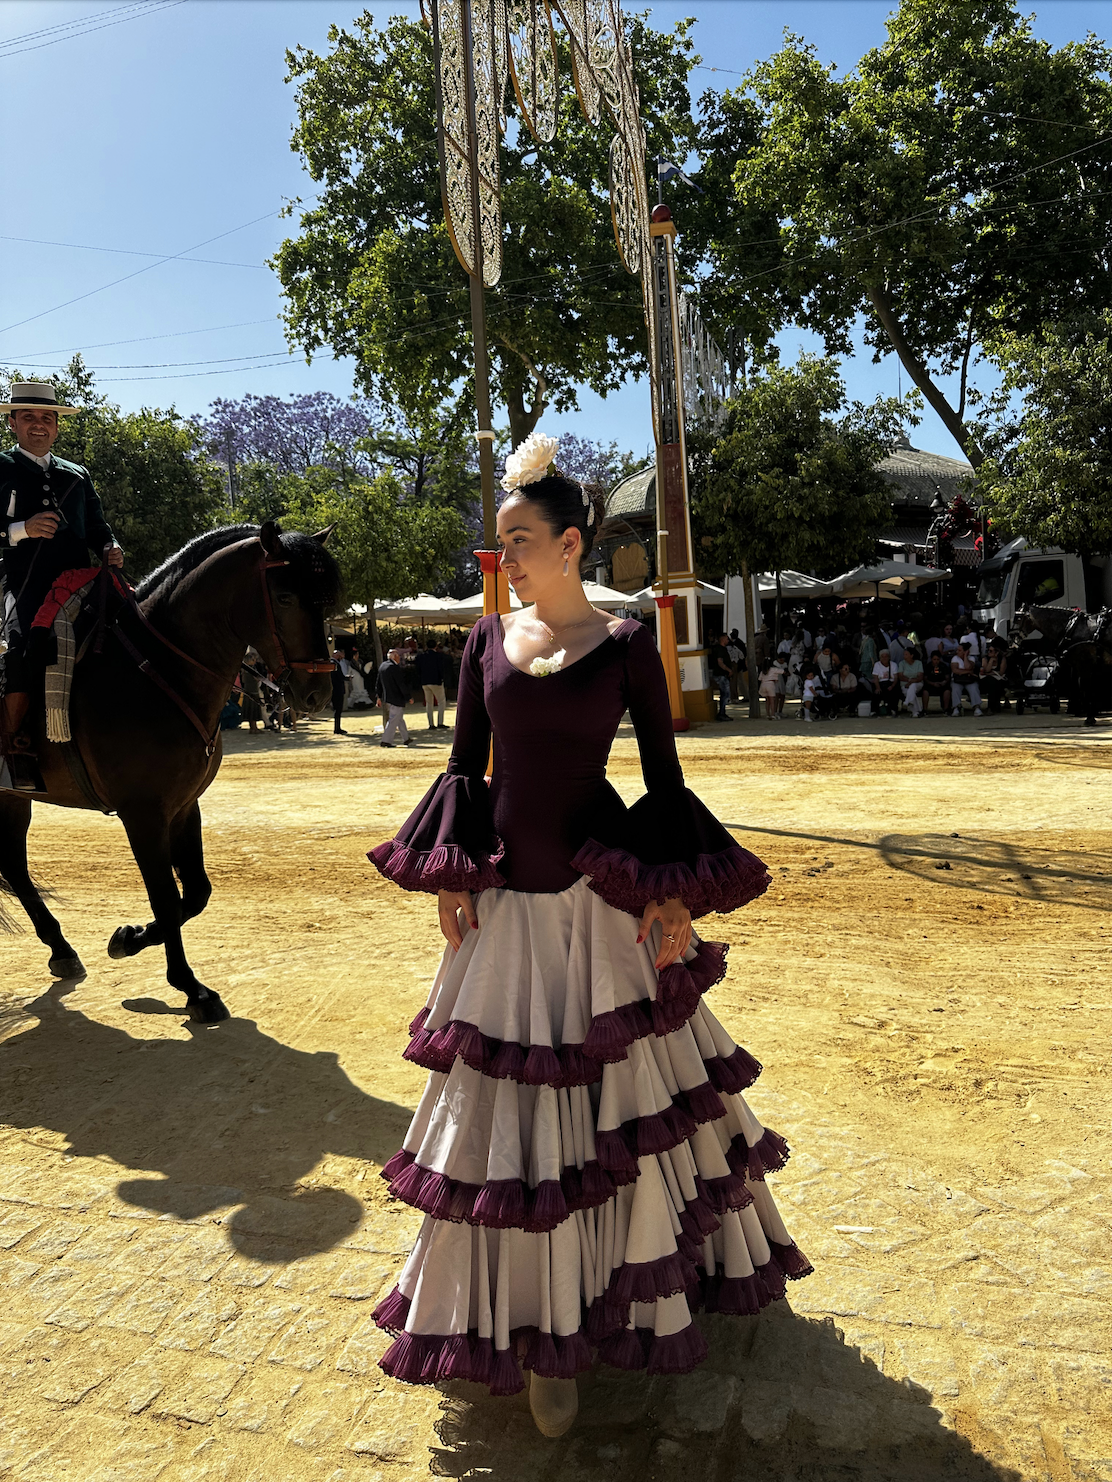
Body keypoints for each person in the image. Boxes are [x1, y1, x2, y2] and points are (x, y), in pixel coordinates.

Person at [367, 444, 810, 1433]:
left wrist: (668, 899)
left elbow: (659, 782)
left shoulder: (622, 645)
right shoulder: (486, 642)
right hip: (505, 918)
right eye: (499, 544)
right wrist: (450, 880)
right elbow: (462, 775)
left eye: (519, 542)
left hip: (599, 903)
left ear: (568, 545)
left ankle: (611, 1307)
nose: (504, 558)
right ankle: (536, 1336)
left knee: (627, 1113)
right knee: (509, 1132)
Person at [0, 382, 124, 788]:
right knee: (18, 650)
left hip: (77, 584)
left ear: (57, 427)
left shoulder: (77, 474)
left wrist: (109, 546)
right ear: (13, 422)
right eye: (30, 417)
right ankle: (14, 745)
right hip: (18, 584)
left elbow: (99, 526)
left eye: (47, 418)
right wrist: (22, 528)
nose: (40, 425)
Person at [377, 647, 413, 747]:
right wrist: (408, 696)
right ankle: (386, 741)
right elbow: (400, 684)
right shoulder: (394, 668)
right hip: (396, 697)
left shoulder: (382, 666)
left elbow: (378, 683)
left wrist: (379, 696)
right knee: (394, 719)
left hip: (387, 697)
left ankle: (406, 738)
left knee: (399, 718)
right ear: (395, 656)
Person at [415, 637, 450, 730]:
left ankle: (431, 724)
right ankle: (440, 722)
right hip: (436, 681)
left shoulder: (421, 656)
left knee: (429, 703)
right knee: (441, 701)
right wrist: (442, 678)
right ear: (435, 646)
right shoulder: (439, 656)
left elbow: (418, 669)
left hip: (425, 681)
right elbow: (441, 669)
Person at [950, 643, 983, 716]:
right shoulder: (955, 658)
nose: (957, 652)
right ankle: (956, 707)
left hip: (969, 680)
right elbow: (955, 670)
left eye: (960, 650)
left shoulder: (971, 658)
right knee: (955, 688)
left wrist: (965, 657)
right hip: (957, 680)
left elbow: (968, 666)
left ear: (965, 651)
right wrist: (968, 672)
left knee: (974, 688)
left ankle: (976, 707)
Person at [709, 632, 734, 721]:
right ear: (722, 639)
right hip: (721, 675)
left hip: (723, 675)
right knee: (725, 694)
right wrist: (728, 670)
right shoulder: (720, 650)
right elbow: (720, 662)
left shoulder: (723, 649)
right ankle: (721, 714)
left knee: (725, 694)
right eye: (727, 639)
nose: (728, 640)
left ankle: (722, 713)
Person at [981, 639, 1010, 714]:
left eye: (991, 651)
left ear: (996, 652)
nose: (988, 653)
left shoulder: (1002, 659)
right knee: (992, 682)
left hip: (998, 679)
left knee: (994, 684)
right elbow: (986, 670)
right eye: (988, 651)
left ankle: (992, 707)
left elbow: (1001, 672)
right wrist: (991, 661)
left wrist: (991, 673)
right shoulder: (985, 659)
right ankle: (993, 706)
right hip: (987, 680)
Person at [871, 649, 901, 715]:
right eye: (882, 657)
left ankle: (893, 709)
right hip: (881, 683)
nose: (884, 658)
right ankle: (874, 711)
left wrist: (892, 686)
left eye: (886, 656)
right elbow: (875, 678)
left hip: (891, 683)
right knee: (876, 693)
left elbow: (896, 677)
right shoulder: (877, 665)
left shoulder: (893, 665)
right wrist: (878, 688)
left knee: (895, 691)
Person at [897, 647, 925, 718]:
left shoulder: (918, 663)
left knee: (912, 686)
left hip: (917, 684)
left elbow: (920, 677)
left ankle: (907, 702)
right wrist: (910, 681)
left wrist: (911, 682)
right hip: (905, 684)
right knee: (910, 692)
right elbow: (901, 676)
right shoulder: (901, 663)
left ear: (911, 655)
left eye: (906, 654)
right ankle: (916, 712)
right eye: (904, 654)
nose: (904, 656)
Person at [921, 650, 950, 715]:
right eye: (934, 659)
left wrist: (943, 682)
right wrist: (933, 683)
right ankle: (925, 710)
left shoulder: (944, 666)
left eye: (937, 659)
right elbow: (925, 679)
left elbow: (947, 677)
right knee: (925, 690)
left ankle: (946, 709)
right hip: (930, 684)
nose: (936, 661)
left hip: (941, 684)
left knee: (947, 690)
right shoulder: (928, 666)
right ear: (931, 659)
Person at [330, 648, 348, 735]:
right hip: (337, 689)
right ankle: (337, 728)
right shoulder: (335, 663)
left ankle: (337, 727)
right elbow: (339, 676)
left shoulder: (333, 663)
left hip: (335, 689)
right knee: (338, 709)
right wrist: (347, 678)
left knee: (337, 709)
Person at [726, 629, 747, 701]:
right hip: (736, 665)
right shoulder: (732, 643)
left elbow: (743, 655)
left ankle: (745, 696)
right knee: (735, 682)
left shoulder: (738, 643)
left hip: (738, 665)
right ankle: (735, 696)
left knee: (739, 682)